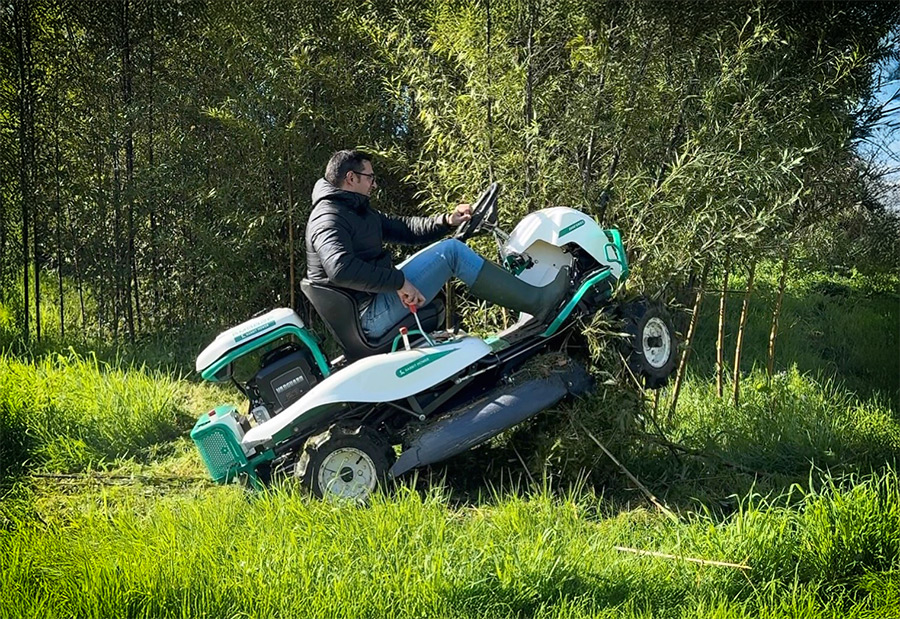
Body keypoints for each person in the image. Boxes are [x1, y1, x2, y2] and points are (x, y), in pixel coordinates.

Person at [305, 149, 569, 339]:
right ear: (351, 178)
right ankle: (539, 302)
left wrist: (446, 220)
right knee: (451, 253)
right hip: (367, 318)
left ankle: (532, 298)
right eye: (370, 177)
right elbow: (341, 269)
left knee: (449, 247)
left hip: (375, 300)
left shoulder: (355, 210)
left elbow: (405, 228)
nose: (373, 184)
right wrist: (398, 282)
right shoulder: (328, 217)